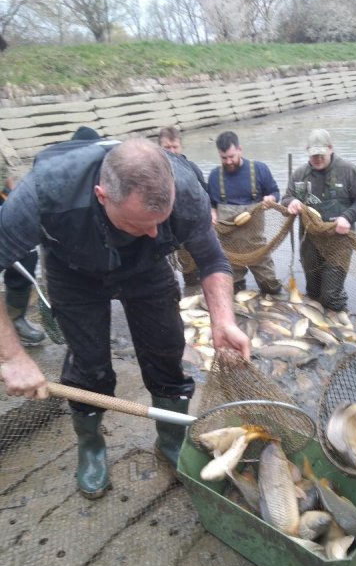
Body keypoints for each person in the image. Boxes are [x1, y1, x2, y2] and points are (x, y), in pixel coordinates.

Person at [0, 137, 250, 500]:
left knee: (166, 351)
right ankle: (91, 447)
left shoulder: (186, 191)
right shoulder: (45, 193)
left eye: (159, 222)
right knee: (90, 367)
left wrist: (224, 320)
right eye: (140, 223)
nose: (153, 231)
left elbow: (212, 260)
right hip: (74, 270)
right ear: (103, 196)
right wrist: (12, 357)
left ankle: (170, 442)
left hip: (147, 267)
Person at [281, 129, 356, 324]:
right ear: (307, 152)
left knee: (331, 294)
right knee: (313, 291)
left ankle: (340, 327)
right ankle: (317, 332)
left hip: (339, 242)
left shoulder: (348, 170)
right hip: (309, 241)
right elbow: (285, 198)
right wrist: (291, 203)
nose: (318, 159)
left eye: (321, 154)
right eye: (313, 155)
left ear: (331, 149)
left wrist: (348, 217)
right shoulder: (299, 174)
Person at [207, 131, 282, 295]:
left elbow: (276, 193)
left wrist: (271, 198)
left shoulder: (260, 170)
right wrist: (212, 212)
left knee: (272, 289)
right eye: (224, 158)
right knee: (231, 292)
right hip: (229, 251)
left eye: (232, 156)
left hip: (257, 248)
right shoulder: (214, 177)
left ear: (240, 149)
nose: (229, 161)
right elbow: (211, 204)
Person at [158, 126, 207, 288]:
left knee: (199, 266)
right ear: (159, 147)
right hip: (165, 232)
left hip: (192, 230)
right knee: (170, 271)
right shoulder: (154, 171)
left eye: (175, 147)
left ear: (181, 146)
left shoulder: (191, 168)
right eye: (167, 147)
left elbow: (205, 196)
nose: (172, 151)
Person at [1, 173, 46, 345]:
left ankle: (15, 321)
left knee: (25, 253)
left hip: (5, 199)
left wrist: (13, 190)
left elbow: (10, 174)